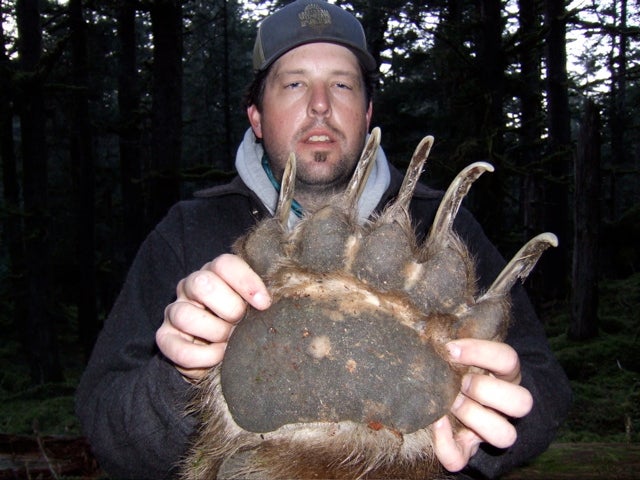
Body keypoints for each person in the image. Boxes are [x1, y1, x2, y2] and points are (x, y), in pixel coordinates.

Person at [76, 1, 571, 478]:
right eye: (294, 84)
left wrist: (483, 414)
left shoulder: (442, 230)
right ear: (256, 115)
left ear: (368, 110)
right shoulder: (189, 232)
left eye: (342, 84)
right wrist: (181, 377)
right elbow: (105, 426)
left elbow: (543, 385)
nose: (320, 105)